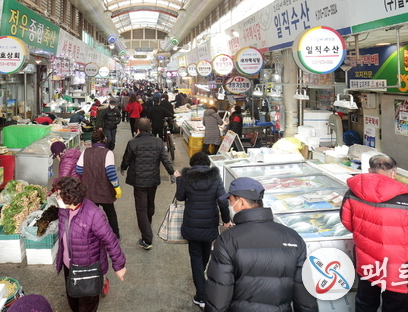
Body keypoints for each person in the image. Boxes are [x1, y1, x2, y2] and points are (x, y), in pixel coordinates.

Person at [340, 154, 408, 312]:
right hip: (398, 268)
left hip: (366, 263)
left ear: (369, 170)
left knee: (365, 305)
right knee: (395, 307)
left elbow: (348, 223)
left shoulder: (352, 194)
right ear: (394, 173)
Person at [206, 177, 318, 312]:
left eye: (231, 201)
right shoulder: (293, 238)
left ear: (241, 202)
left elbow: (218, 299)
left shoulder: (227, 240)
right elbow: (306, 299)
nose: (230, 206)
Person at [53, 176, 126, 312]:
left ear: (70, 197)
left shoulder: (94, 214)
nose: (57, 197)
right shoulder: (64, 210)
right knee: (73, 300)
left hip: (88, 268)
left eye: (59, 195)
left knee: (87, 305)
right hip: (69, 266)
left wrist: (119, 266)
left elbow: (110, 240)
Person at [176, 152, 231, 309]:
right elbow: (222, 201)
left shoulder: (186, 177)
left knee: (195, 257)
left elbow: (180, 197)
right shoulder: (215, 177)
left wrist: (179, 180)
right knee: (205, 253)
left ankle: (201, 296)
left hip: (191, 224)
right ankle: (202, 283)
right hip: (209, 223)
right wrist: (226, 219)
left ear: (192, 163)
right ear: (207, 163)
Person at [120, 118, 179, 250]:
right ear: (150, 128)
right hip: (153, 179)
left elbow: (126, 159)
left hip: (138, 180)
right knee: (150, 203)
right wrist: (172, 172)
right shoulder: (158, 142)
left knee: (141, 208)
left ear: (138, 129)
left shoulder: (133, 143)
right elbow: (165, 159)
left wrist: (123, 167)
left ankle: (147, 239)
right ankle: (148, 222)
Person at [76, 129, 122, 240]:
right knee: (110, 213)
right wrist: (116, 187)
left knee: (91, 215)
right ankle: (115, 235)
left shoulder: (86, 152)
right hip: (104, 190)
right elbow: (110, 172)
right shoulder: (107, 153)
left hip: (89, 190)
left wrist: (89, 173)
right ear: (103, 140)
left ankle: (93, 237)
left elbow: (79, 169)